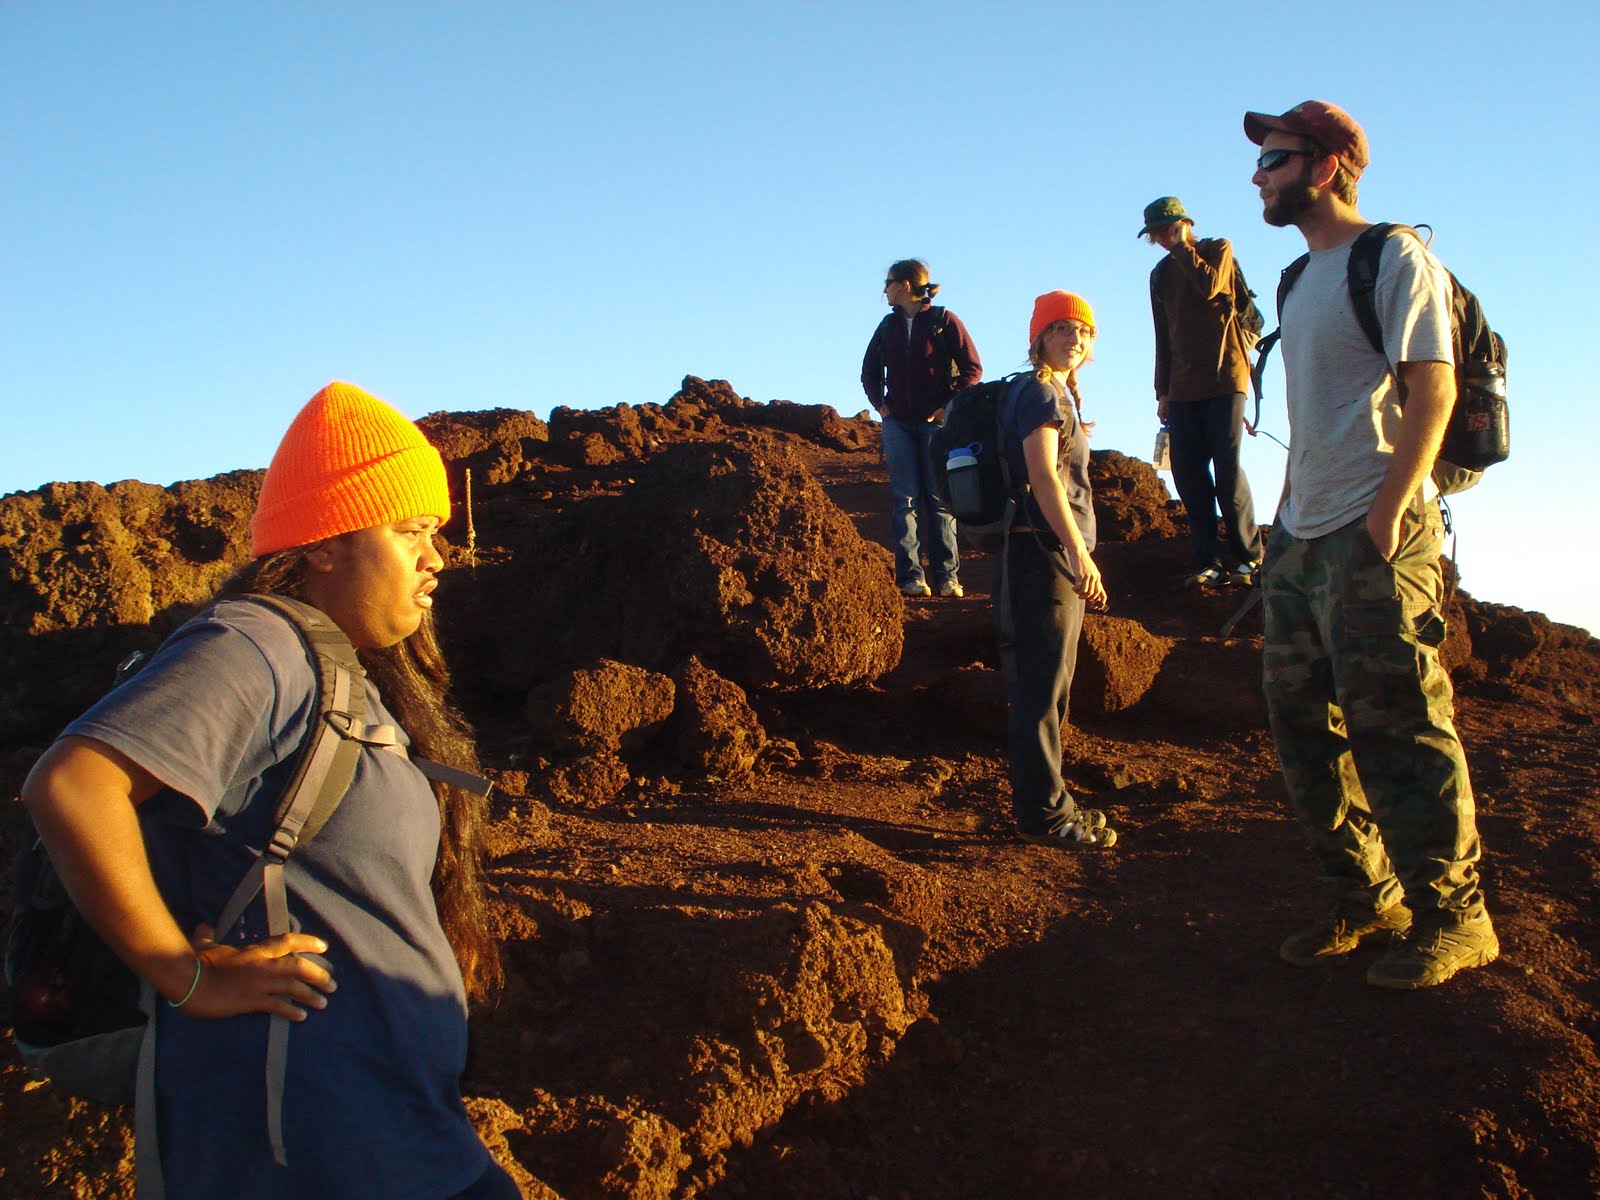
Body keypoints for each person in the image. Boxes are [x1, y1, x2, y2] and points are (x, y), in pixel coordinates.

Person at [21, 382, 521, 1198]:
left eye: (434, 532)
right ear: (324, 544)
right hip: (300, 1150)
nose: (437, 559)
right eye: (409, 532)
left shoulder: (343, 672)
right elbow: (74, 786)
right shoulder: (257, 644)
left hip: (392, 1132)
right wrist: (188, 975)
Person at [1246, 100, 1497, 988]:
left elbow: (1431, 389)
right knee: (1304, 730)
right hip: (1302, 535)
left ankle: (1456, 918)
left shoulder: (1392, 258)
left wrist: (1390, 512)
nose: (1258, 177)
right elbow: (1309, 417)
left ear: (1325, 167)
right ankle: (1365, 901)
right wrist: (1283, 526)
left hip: (1375, 530)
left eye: (1274, 160)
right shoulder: (1294, 279)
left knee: (1402, 724)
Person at [996, 292, 1116, 849]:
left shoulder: (1057, 393)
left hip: (1042, 553)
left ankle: (1047, 804)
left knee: (1049, 685)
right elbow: (1043, 476)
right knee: (1042, 689)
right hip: (1044, 555)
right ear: (1039, 337)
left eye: (1083, 332)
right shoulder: (1042, 392)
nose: (1075, 339)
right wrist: (1078, 552)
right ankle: (1046, 815)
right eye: (1062, 329)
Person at [1141, 196, 1264, 587]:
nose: (1163, 237)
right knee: (1188, 473)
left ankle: (1249, 556)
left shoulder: (1217, 249)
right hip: (1181, 386)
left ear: (1184, 223)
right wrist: (1162, 390)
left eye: (1168, 228)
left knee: (1226, 469)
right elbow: (1163, 335)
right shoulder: (1160, 274)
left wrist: (1182, 248)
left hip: (1226, 378)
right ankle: (1208, 561)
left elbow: (1211, 287)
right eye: (1158, 232)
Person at [861, 258, 983, 598]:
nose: (884, 290)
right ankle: (911, 578)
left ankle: (948, 578)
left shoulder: (944, 321)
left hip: (935, 426)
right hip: (897, 423)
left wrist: (949, 406)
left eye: (888, 282)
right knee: (906, 499)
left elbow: (972, 369)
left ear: (904, 285)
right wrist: (880, 405)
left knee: (939, 498)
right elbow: (869, 371)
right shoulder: (888, 326)